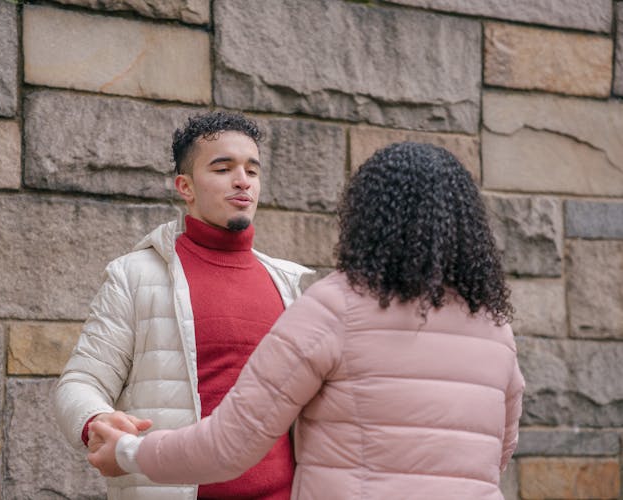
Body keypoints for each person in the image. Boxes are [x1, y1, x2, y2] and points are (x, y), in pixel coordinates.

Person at [87, 142, 526, 499]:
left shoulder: (333, 307)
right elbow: (498, 453)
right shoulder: (494, 326)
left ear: (366, 216)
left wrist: (129, 451)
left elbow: (232, 444)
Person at [55, 111, 312, 499]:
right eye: (223, 168)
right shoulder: (134, 276)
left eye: (252, 171)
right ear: (185, 186)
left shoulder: (289, 285)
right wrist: (96, 420)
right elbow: (81, 381)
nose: (243, 180)